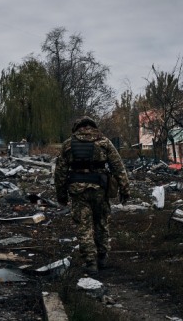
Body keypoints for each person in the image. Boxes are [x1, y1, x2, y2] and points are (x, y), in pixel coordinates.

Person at [54, 116, 130, 272]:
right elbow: (118, 166)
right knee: (101, 223)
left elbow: (60, 172)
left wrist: (61, 195)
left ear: (77, 127)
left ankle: (90, 263)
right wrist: (124, 189)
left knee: (84, 226)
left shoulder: (68, 144)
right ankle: (102, 257)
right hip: (100, 189)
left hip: (78, 191)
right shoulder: (104, 142)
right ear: (93, 127)